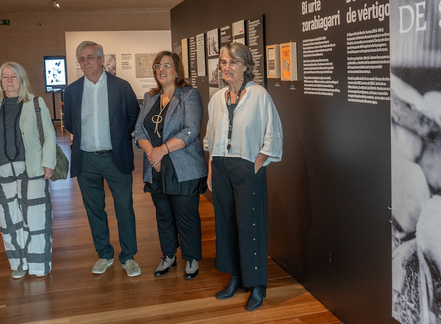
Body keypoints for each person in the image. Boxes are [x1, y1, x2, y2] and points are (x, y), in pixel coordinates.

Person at [204, 42, 283, 311]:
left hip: (248, 167)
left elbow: (273, 131)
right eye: (224, 62)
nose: (227, 67)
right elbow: (211, 138)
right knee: (227, 225)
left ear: (246, 66)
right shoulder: (217, 98)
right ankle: (236, 277)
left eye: (233, 62)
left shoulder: (259, 95)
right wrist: (212, 169)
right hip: (222, 168)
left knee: (251, 227)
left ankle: (257, 284)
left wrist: (259, 161)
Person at [63, 41, 141, 277]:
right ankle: (104, 254)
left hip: (115, 157)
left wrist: (117, 139)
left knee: (124, 208)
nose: (85, 63)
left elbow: (132, 118)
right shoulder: (73, 90)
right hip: (86, 159)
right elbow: (69, 122)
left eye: (89, 58)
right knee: (94, 209)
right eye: (81, 59)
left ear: (101, 60)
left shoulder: (121, 87)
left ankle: (128, 257)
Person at [0, 62, 56, 278]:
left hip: (32, 170)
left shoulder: (36, 103)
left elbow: (49, 134)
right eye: (5, 77)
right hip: (2, 173)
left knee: (36, 219)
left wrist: (48, 163)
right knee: (9, 221)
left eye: (14, 76)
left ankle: (39, 265)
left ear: (22, 79)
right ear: (0, 82)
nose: (9, 81)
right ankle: (19, 264)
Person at [135, 51, 207, 279]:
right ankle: (168, 256)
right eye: (158, 66)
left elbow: (191, 130)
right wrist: (151, 153)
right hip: (156, 167)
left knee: (186, 216)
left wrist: (161, 151)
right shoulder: (149, 97)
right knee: (163, 215)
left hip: (183, 166)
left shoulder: (189, 94)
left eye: (167, 65)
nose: (162, 70)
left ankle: (192, 258)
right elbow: (138, 130)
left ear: (177, 70)